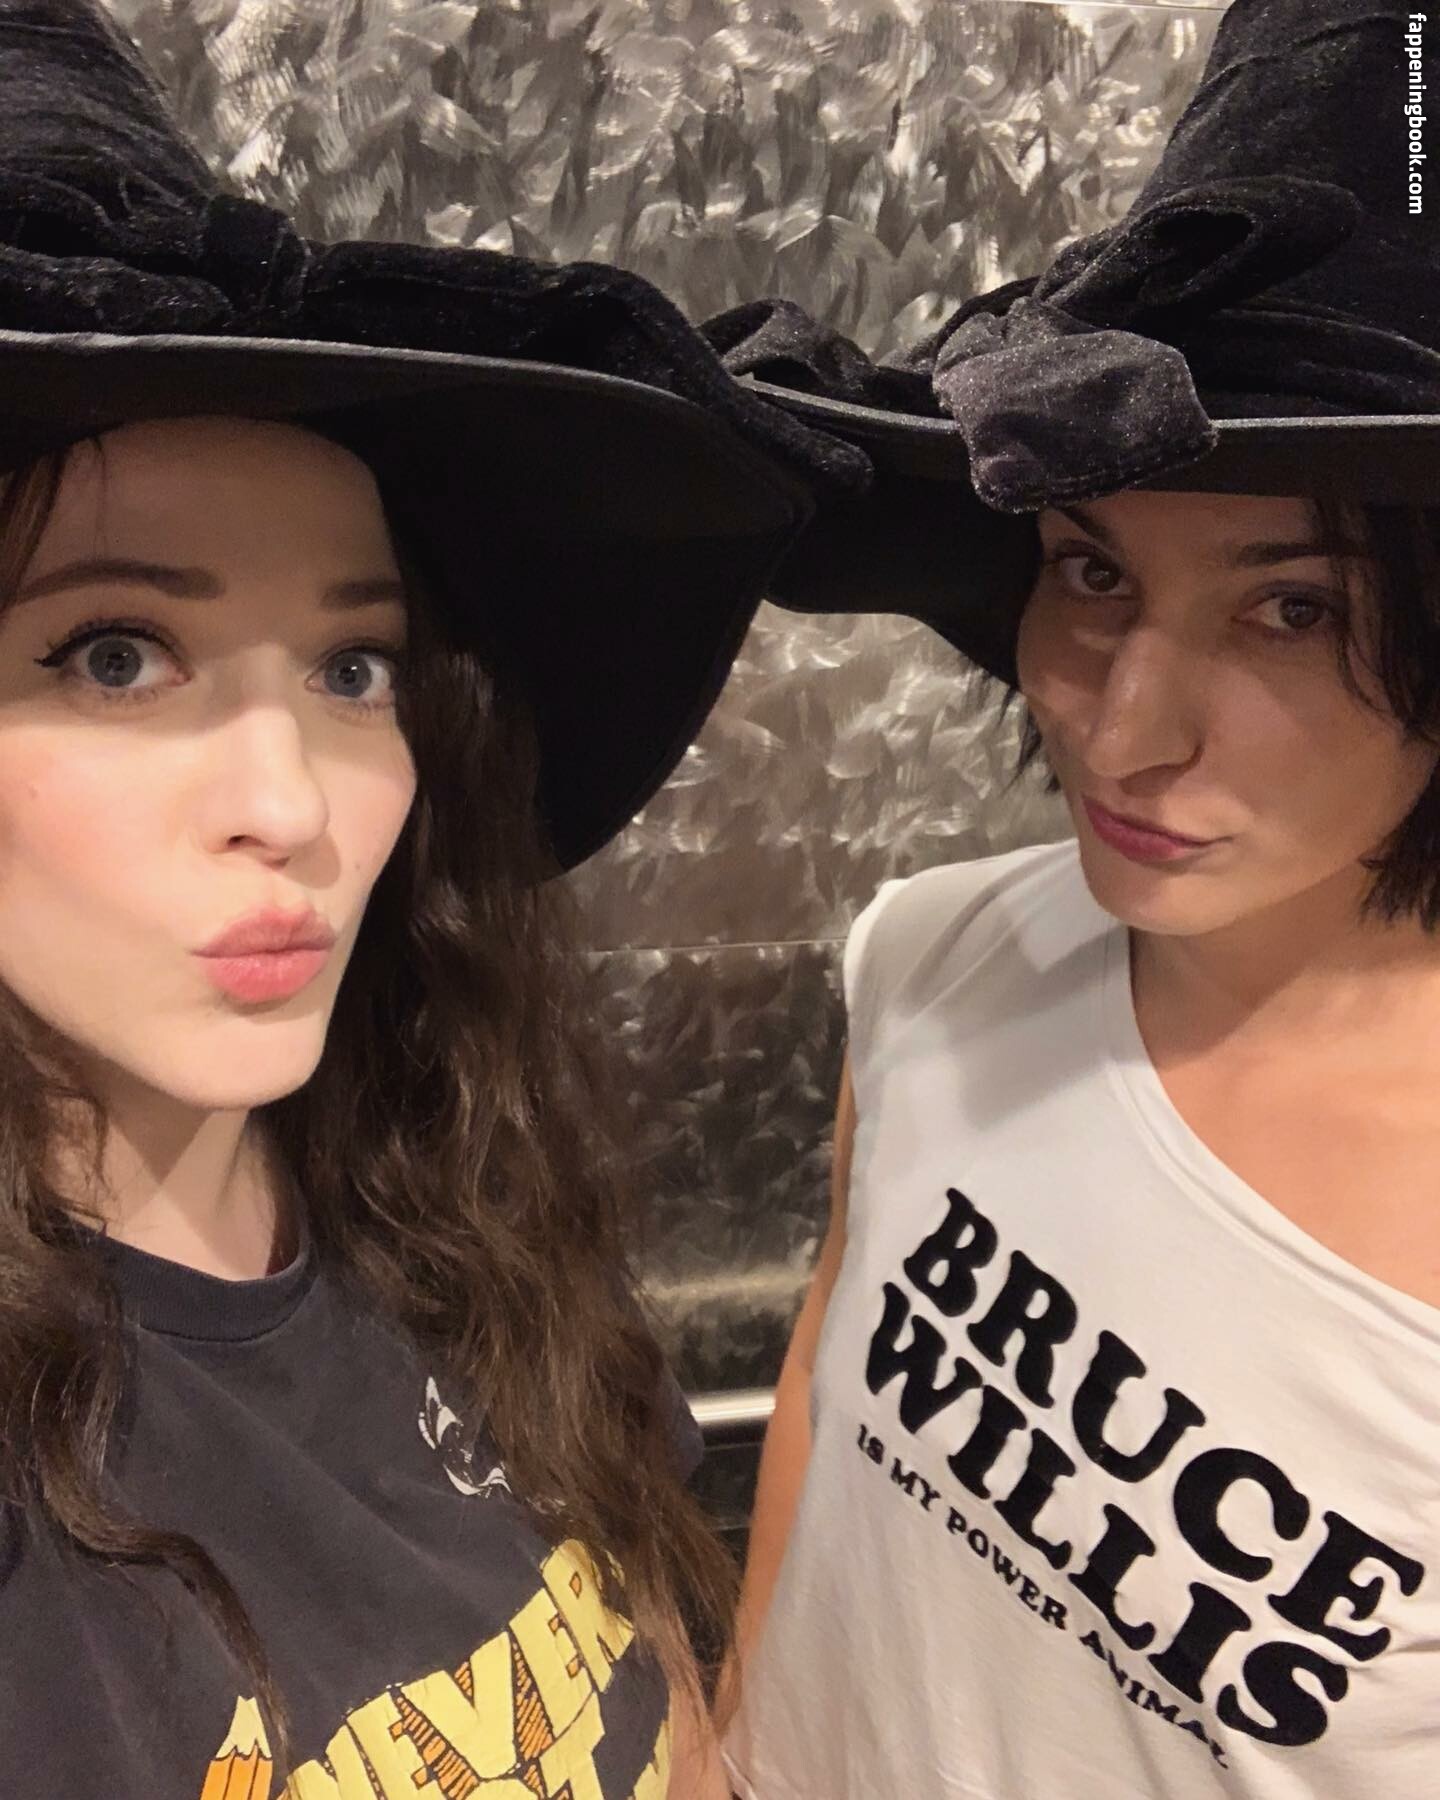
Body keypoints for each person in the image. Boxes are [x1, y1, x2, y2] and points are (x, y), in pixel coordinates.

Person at [0, 3, 870, 1795]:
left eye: (353, 669)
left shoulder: (455, 1189)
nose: (290, 807)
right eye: (115, 654)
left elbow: (665, 1685)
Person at [707, 1, 1440, 1794]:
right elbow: (830, 1380)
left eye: (1294, 608)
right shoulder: (940, 952)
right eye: (1091, 572)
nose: (1120, 729)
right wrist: (730, 1742)